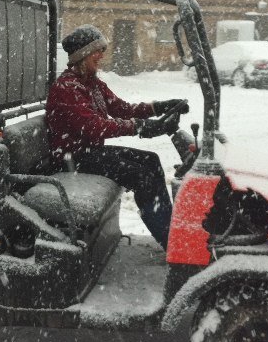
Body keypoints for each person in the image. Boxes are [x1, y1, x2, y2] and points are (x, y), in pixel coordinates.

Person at [45, 24, 188, 249]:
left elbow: (122, 108)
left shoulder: (92, 83)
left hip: (89, 153)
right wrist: (140, 127)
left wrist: (159, 107)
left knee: (151, 160)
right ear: (82, 55)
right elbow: (94, 127)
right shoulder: (68, 87)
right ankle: (171, 243)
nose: (102, 55)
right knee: (141, 176)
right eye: (97, 51)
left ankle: (171, 230)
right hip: (72, 159)